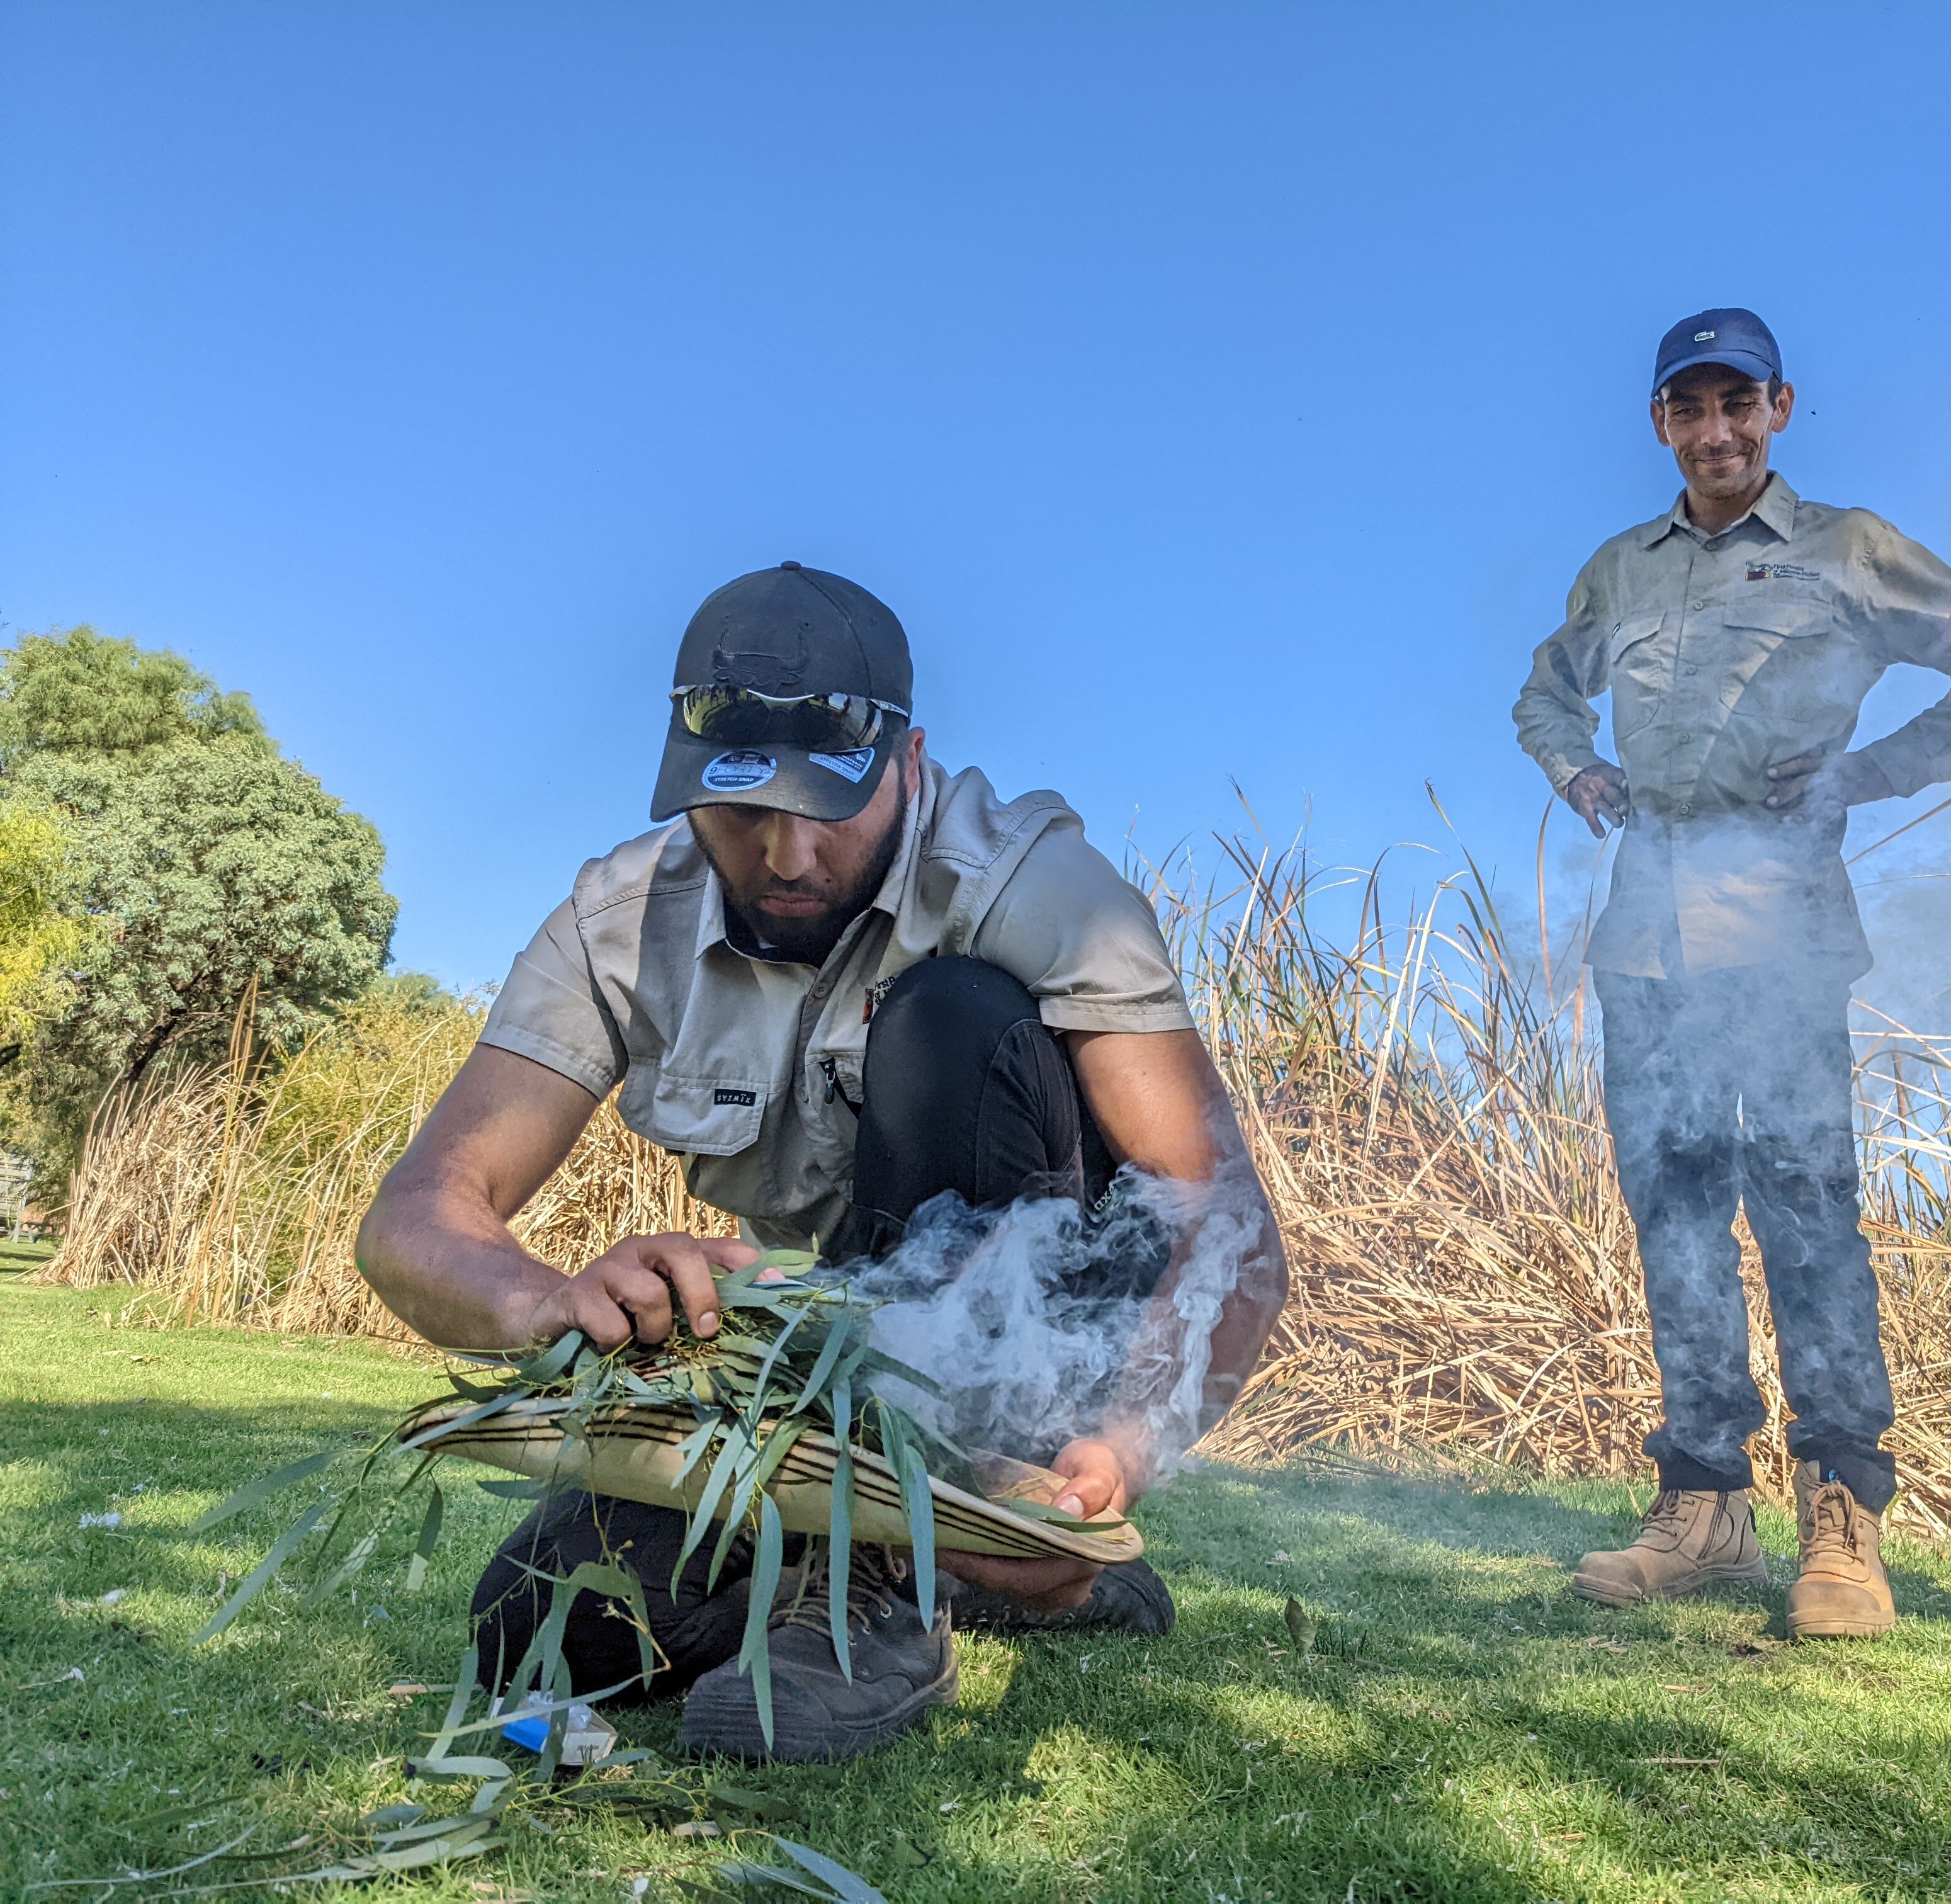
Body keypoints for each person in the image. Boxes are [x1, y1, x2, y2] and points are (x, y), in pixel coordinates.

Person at [356, 561, 1289, 1762]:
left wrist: (1128, 1440)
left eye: (827, 809)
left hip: (1049, 1333)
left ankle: (889, 1581)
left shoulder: (1032, 884)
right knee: (537, 1619)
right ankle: (967, 1565)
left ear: (907, 764)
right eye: (743, 812)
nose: (787, 858)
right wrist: (548, 1302)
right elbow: (418, 1219)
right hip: (831, 1362)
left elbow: (1228, 1223)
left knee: (946, 1019)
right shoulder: (616, 921)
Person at [1512, 309, 1951, 1636]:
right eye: (1688, 409)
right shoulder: (1619, 571)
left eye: (1737, 405)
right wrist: (1573, 766)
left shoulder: (1847, 550)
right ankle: (1703, 1512)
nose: (1715, 433)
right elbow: (1544, 691)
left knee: (1810, 1211)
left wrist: (1866, 776)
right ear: (1660, 424)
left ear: (1779, 408)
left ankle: (1843, 1526)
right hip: (1647, 941)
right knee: (1676, 1217)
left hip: (1786, 930)